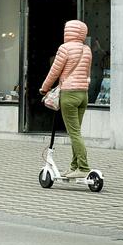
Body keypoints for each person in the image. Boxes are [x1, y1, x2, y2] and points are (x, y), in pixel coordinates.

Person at [39, 20, 93, 179]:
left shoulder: (64, 49)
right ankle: (74, 166)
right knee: (76, 132)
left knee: (74, 133)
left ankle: (83, 167)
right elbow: (88, 74)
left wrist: (44, 88)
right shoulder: (87, 49)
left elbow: (54, 72)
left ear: (69, 31)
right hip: (83, 95)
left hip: (69, 94)